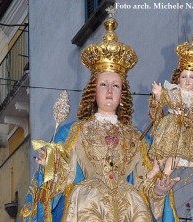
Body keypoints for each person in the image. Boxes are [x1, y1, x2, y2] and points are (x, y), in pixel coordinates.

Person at [17, 8, 179, 222]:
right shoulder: (74, 132)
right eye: (103, 84)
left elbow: (145, 183)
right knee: (85, 201)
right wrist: (50, 167)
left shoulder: (137, 138)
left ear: (123, 93)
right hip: (87, 205)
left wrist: (158, 190)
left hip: (130, 208)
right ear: (94, 91)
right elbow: (59, 179)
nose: (110, 91)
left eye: (116, 86)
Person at [147, 9, 193, 180]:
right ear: (178, 78)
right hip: (170, 125)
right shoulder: (174, 91)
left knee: (176, 155)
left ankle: (166, 175)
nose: (187, 80)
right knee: (162, 149)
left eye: (191, 77)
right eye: (184, 76)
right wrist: (158, 95)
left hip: (185, 131)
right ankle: (156, 168)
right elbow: (164, 100)